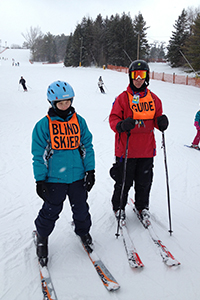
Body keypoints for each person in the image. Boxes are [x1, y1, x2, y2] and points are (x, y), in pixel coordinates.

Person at [31, 80, 95, 266]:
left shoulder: (79, 121)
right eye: (61, 103)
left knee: (81, 209)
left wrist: (90, 170)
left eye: (68, 101)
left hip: (77, 176)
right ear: (52, 103)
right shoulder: (43, 126)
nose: (65, 106)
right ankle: (42, 236)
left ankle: (83, 231)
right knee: (51, 211)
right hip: (55, 179)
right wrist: (40, 180)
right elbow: (39, 155)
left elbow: (87, 146)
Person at [109, 60, 169, 222]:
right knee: (123, 182)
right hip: (126, 149)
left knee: (144, 182)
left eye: (142, 75)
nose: (138, 79)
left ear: (146, 77)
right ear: (130, 77)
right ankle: (119, 207)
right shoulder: (122, 98)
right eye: (135, 75)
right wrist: (121, 125)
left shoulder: (154, 99)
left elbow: (157, 120)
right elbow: (113, 119)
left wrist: (161, 123)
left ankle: (142, 206)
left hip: (146, 150)